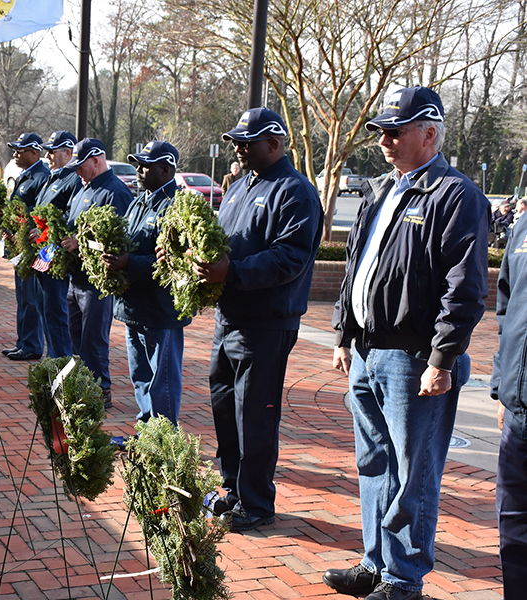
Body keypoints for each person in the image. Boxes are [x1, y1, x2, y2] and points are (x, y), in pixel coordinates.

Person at [326, 86, 489, 600]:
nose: (384, 140)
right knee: (374, 463)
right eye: (381, 131)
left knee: (411, 474)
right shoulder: (381, 189)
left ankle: (403, 580)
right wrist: (343, 332)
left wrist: (443, 358)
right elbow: (359, 267)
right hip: (368, 352)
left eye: (396, 131)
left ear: (430, 133)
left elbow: (464, 287)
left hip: (414, 358)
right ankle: (375, 564)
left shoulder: (455, 195)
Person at [194, 107, 323, 531]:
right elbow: (219, 241)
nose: (238, 149)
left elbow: (291, 257)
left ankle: (256, 502)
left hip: (265, 324)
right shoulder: (238, 187)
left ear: (275, 143)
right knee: (225, 409)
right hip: (229, 317)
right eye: (235, 142)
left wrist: (233, 271)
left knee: (255, 415)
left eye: (246, 143)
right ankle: (231, 489)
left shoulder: (295, 191)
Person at [102, 141, 189, 424]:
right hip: (134, 307)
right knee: (140, 377)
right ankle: (146, 432)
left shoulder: (176, 207)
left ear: (165, 170)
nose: (139, 170)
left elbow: (176, 262)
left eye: (146, 166)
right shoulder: (140, 200)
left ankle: (163, 441)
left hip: (160, 311)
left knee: (161, 382)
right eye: (138, 164)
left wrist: (129, 263)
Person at [60, 138, 132, 409]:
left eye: (81, 165)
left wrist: (83, 243)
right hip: (75, 279)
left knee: (94, 339)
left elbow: (123, 242)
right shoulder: (82, 188)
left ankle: (101, 391)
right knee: (76, 336)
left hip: (96, 282)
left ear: (96, 160)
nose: (77, 171)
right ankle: (82, 387)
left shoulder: (116, 192)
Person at [494, 209, 527, 600]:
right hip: (517, 415)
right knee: (514, 532)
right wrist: (502, 386)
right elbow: (506, 311)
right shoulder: (522, 227)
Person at [1, 132, 51, 361]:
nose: (15, 154)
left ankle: (32, 345)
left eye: (20, 150)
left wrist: (21, 229)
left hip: (31, 247)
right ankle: (23, 341)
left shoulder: (42, 176)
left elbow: (40, 214)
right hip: (19, 246)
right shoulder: (26, 174)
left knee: (31, 297)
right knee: (22, 295)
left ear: (34, 152)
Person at [31, 130, 81, 359]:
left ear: (68, 153)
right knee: (44, 307)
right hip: (44, 252)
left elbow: (70, 219)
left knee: (55, 311)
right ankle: (52, 356)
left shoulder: (73, 179)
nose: (48, 155)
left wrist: (44, 232)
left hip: (55, 252)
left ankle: (60, 360)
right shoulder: (54, 176)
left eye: (52, 151)